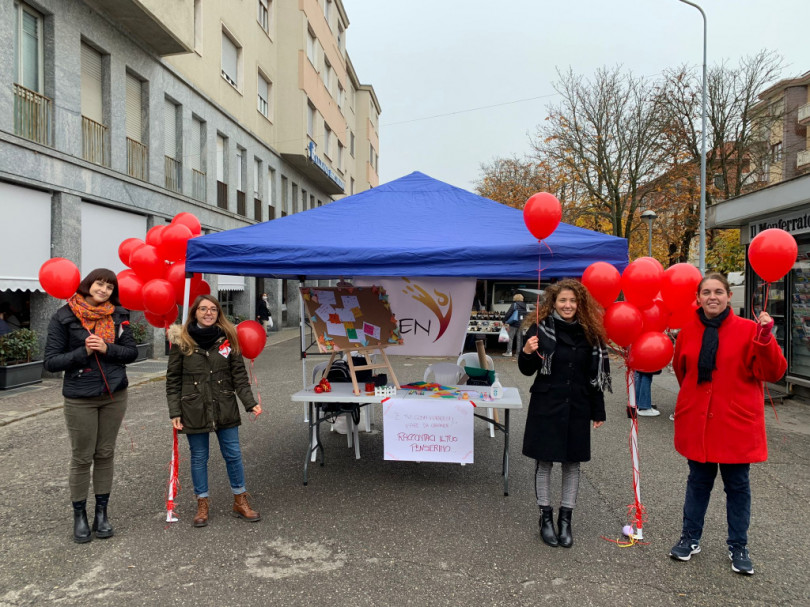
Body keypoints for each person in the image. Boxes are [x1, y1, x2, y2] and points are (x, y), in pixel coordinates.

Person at [668, 273, 786, 576]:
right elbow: (682, 372)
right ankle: (690, 538)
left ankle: (738, 545)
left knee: (737, 486)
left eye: (718, 291)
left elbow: (772, 372)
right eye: (706, 292)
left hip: (735, 424)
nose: (712, 297)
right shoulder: (687, 332)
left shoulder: (749, 330)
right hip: (698, 422)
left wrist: (766, 338)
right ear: (698, 298)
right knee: (698, 483)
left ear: (729, 296)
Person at [43, 268, 137, 544]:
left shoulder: (119, 315)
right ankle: (80, 516)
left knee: (105, 453)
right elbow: (51, 362)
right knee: (82, 457)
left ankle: (101, 514)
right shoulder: (64, 316)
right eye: (100, 284)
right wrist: (82, 351)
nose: (104, 290)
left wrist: (108, 348)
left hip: (114, 394)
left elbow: (131, 352)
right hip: (80, 397)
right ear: (88, 285)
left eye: (110, 287)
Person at [519, 279, 611, 548]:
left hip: (577, 405)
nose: (568, 305)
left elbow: (594, 376)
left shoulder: (590, 333)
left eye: (573, 300)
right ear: (554, 303)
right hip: (547, 405)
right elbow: (527, 369)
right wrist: (526, 351)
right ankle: (546, 518)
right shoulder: (540, 328)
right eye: (563, 300)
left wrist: (598, 410)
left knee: (572, 463)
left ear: (580, 303)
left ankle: (566, 520)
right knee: (545, 462)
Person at [166, 294, 263, 528]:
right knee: (199, 457)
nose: (208, 313)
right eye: (203, 309)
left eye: (213, 309)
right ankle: (202, 504)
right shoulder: (182, 341)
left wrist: (250, 402)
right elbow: (173, 380)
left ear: (219, 313)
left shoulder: (228, 338)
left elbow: (238, 375)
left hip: (224, 404)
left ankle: (240, 500)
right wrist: (175, 411)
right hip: (194, 407)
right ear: (195, 312)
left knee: (233, 454)